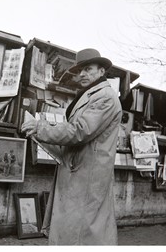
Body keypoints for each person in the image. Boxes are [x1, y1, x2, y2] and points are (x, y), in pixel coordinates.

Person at [21, 48, 122, 245]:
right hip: (79, 173)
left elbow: (79, 131)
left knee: (82, 234)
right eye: (80, 70)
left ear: (102, 71)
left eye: (88, 69)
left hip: (87, 178)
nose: (82, 74)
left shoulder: (105, 97)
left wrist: (40, 128)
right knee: (77, 233)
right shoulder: (92, 94)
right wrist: (40, 133)